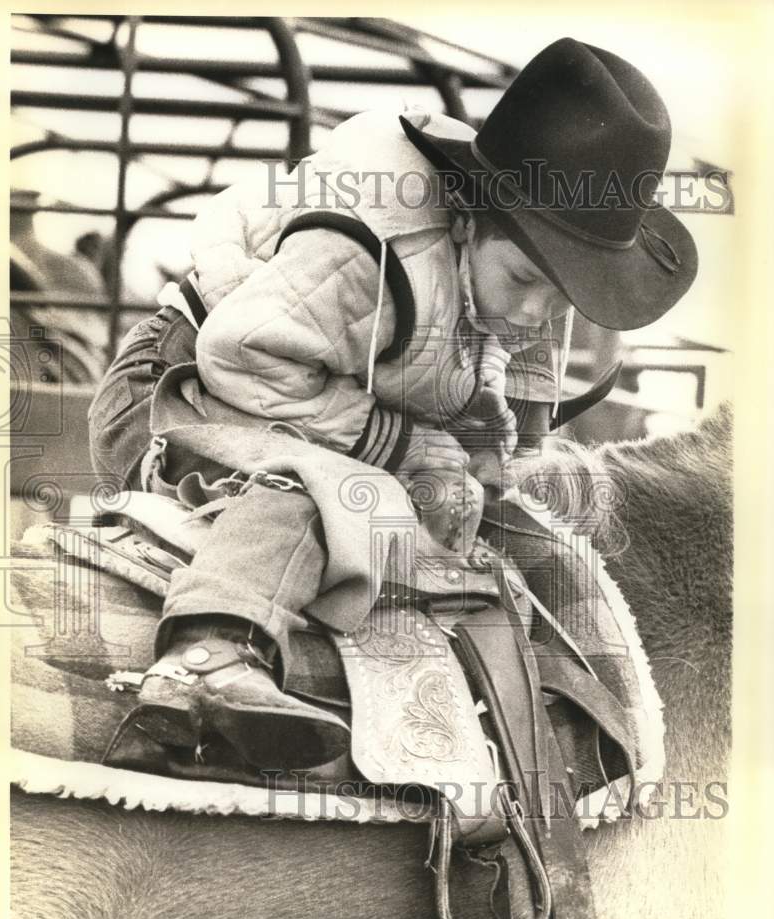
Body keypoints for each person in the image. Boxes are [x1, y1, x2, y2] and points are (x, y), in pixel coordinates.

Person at [89, 37, 697, 772]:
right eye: (525, 281)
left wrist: (490, 455)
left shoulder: (512, 270)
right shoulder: (372, 251)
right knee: (332, 493)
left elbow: (503, 371)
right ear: (468, 219)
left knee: (500, 515)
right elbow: (241, 357)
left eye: (560, 293)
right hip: (187, 385)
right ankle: (207, 657)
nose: (538, 311)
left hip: (320, 384)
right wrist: (396, 446)